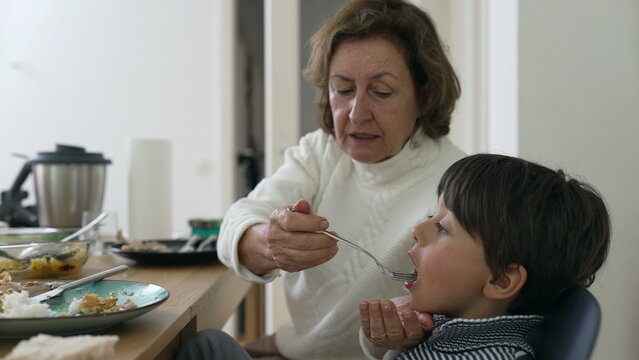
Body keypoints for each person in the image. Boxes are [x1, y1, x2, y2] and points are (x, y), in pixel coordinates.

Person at [214, 0, 465, 358]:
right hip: (293, 348)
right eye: (343, 89)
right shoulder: (321, 152)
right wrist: (268, 242)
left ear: (424, 95)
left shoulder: (456, 186)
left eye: (381, 92)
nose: (357, 113)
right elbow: (234, 224)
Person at [358, 154, 611, 359]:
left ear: (500, 279)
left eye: (442, 228)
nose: (416, 231)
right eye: (430, 217)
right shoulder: (439, 324)